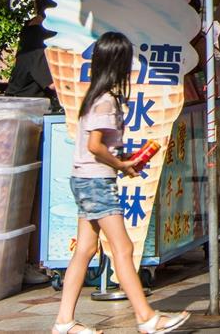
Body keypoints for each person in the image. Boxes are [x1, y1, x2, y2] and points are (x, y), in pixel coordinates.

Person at [51, 31, 190, 334]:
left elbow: (99, 145)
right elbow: (95, 147)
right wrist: (121, 164)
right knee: (123, 248)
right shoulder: (106, 102)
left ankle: (64, 322)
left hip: (84, 179)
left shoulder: (94, 97)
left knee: (85, 250)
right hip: (97, 182)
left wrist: (124, 158)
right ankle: (147, 318)